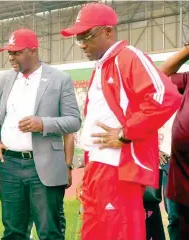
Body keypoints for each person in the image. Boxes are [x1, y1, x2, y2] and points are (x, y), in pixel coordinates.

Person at [60, 3, 182, 239]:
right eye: (78, 38)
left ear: (108, 31)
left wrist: (126, 132)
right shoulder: (102, 66)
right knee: (93, 231)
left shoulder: (127, 57)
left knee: (120, 231)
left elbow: (165, 97)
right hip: (97, 166)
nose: (82, 43)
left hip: (118, 169)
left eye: (86, 35)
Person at [0, 28, 81, 240]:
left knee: (49, 232)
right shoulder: (4, 80)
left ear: (33, 51)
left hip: (42, 167)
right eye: (9, 53)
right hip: (9, 165)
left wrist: (42, 124)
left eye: (16, 52)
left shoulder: (59, 79)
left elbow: (73, 121)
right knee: (13, 231)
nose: (11, 57)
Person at [159, 42, 189, 238]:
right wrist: (187, 51)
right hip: (181, 174)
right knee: (178, 221)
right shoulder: (187, 79)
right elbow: (161, 76)